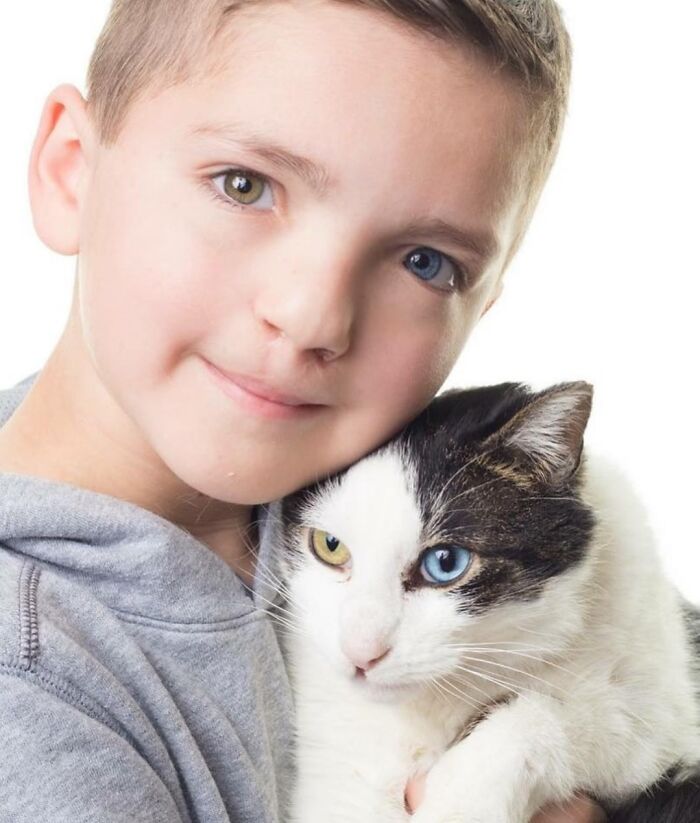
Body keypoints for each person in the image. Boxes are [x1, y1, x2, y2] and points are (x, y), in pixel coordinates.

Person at [0, 1, 605, 820]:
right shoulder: (29, 695)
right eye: (244, 186)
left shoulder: (400, 494)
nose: (315, 315)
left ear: (483, 304)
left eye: (426, 262)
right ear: (72, 168)